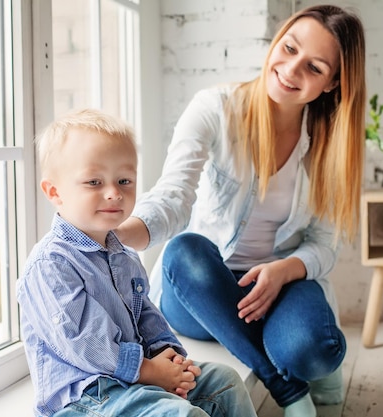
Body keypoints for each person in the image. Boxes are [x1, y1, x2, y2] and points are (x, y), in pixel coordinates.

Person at [115, 5, 366, 417]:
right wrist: (118, 233)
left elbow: (324, 244)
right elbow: (173, 196)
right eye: (289, 48)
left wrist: (284, 270)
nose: (291, 69)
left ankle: (293, 353)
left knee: (317, 352)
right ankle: (286, 389)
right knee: (184, 250)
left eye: (314, 67)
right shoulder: (215, 108)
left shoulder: (330, 145)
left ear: (333, 82)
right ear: (277, 40)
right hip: (201, 291)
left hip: (278, 286)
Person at [16, 108, 258, 417]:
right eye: (93, 182)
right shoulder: (50, 264)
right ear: (55, 192)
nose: (114, 193)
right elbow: (88, 345)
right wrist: (149, 371)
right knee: (181, 415)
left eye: (124, 180)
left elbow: (147, 316)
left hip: (135, 380)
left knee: (224, 382)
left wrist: (169, 360)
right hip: (86, 396)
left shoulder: (124, 255)